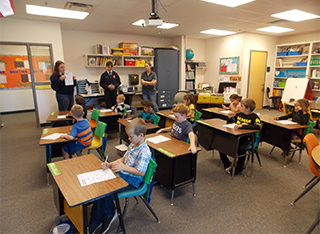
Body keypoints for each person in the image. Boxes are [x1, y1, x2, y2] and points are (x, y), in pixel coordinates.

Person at [88, 118, 151, 234]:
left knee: (105, 191)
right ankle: (101, 216)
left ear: (141, 135)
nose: (129, 139)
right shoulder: (134, 143)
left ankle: (105, 216)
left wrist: (123, 168)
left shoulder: (145, 151)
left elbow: (141, 172)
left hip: (132, 181)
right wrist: (110, 164)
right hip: (124, 174)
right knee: (100, 187)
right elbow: (124, 158)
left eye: (131, 136)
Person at [220, 98, 262, 176]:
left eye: (242, 106)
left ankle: (239, 167)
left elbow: (258, 127)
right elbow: (231, 123)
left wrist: (242, 126)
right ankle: (226, 163)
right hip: (236, 136)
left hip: (247, 138)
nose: (239, 107)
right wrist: (230, 117)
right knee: (220, 143)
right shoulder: (239, 114)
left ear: (248, 108)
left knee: (241, 148)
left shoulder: (254, 117)